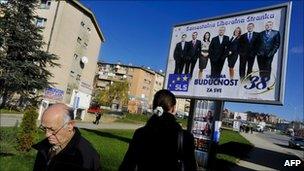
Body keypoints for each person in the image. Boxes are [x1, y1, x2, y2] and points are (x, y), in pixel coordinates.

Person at [119, 89, 197, 171]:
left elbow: (127, 165)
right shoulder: (185, 137)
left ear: (153, 107)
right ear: (174, 108)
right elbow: (191, 167)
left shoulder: (140, 133)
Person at [32, 103, 101, 171]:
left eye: (52, 130)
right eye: (44, 128)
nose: (47, 135)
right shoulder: (45, 145)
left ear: (70, 125)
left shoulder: (86, 157)